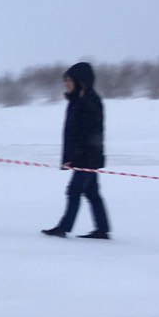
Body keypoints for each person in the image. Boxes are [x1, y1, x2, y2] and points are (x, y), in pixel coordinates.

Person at [42, 62, 111, 239]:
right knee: (91, 192)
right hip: (83, 157)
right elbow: (72, 133)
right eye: (65, 80)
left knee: (73, 191)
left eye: (69, 80)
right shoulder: (76, 101)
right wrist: (69, 157)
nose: (66, 83)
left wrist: (82, 156)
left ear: (81, 81)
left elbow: (94, 132)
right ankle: (102, 229)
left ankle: (63, 228)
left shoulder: (90, 100)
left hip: (88, 158)